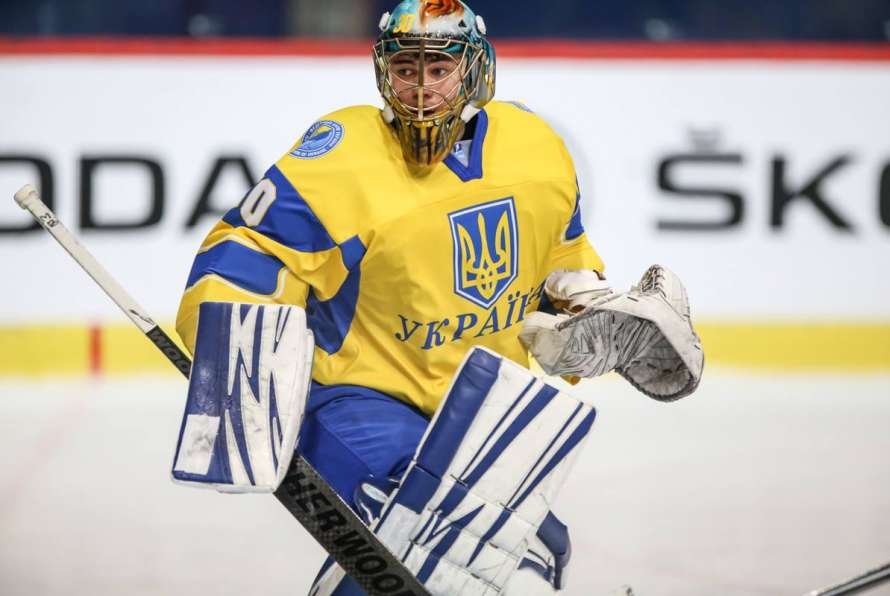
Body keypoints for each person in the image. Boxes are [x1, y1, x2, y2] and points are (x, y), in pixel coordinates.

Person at [176, 1, 702, 593]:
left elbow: (562, 253)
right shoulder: (344, 155)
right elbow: (248, 251)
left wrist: (583, 303)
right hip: (358, 398)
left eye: (438, 69)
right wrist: (233, 355)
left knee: (531, 547)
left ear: (475, 71)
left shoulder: (535, 145)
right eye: (405, 69)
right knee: (447, 537)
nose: (421, 89)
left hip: (483, 412)